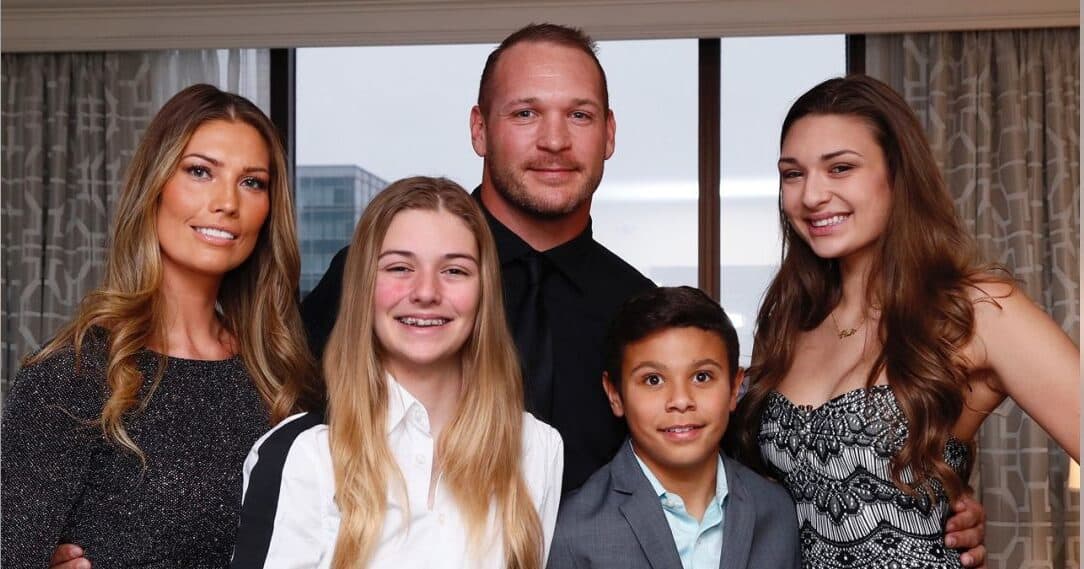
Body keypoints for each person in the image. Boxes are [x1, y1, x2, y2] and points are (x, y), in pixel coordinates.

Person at [727, 75, 1080, 569]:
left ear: (898, 173)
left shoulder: (977, 310)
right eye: (793, 174)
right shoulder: (788, 321)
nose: (811, 195)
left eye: (841, 168)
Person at [301, 23, 654, 492]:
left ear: (608, 134)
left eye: (579, 115)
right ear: (480, 130)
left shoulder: (642, 310)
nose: (554, 140)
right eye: (525, 113)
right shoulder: (375, 281)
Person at [1, 84, 318, 568]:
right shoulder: (73, 375)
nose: (227, 202)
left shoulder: (283, 377)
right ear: (155, 185)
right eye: (200, 171)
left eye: (252, 182)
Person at [230, 177, 563, 569]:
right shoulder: (305, 455)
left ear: (484, 292)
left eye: (454, 270)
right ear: (364, 287)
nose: (426, 292)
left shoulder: (536, 448)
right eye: (400, 267)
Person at [548, 286, 800, 569]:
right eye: (653, 380)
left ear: (734, 388)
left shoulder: (775, 510)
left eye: (702, 377)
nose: (680, 401)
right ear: (615, 394)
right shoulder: (572, 530)